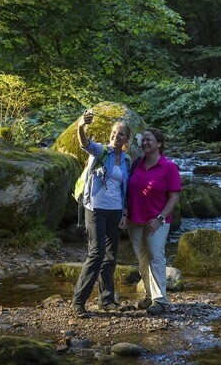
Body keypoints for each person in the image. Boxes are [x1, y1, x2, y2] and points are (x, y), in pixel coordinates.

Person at [72, 109, 131, 319]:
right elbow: (85, 144)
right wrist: (81, 125)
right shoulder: (101, 151)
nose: (116, 137)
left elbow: (125, 189)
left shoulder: (126, 160)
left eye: (120, 134)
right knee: (96, 254)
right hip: (95, 208)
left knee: (111, 256)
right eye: (114, 133)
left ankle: (106, 300)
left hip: (115, 211)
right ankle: (79, 302)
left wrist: (125, 212)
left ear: (126, 139)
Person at [122, 128, 181, 315]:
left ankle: (160, 300)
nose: (145, 143)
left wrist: (160, 218)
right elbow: (127, 190)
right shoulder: (137, 163)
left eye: (149, 140)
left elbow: (174, 197)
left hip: (157, 221)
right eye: (143, 140)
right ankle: (149, 296)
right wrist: (125, 212)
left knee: (155, 256)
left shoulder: (169, 167)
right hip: (135, 218)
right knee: (142, 259)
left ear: (159, 144)